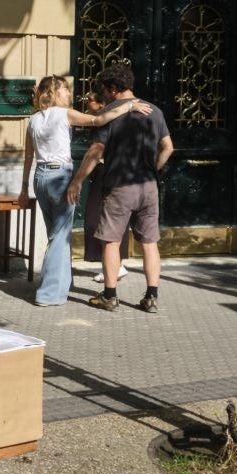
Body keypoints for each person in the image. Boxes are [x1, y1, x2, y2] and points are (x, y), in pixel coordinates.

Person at [20, 76, 148, 306]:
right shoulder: (64, 113)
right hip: (59, 176)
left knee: (55, 234)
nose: (69, 93)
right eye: (65, 89)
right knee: (59, 237)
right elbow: (99, 120)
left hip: (40, 178)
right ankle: (48, 293)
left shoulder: (33, 119)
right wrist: (129, 106)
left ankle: (62, 283)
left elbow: (28, 156)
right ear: (55, 92)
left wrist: (23, 189)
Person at [66, 64, 173, 313]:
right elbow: (168, 147)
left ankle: (110, 296)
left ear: (113, 88)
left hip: (120, 185)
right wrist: (152, 169)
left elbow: (96, 150)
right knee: (149, 242)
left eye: (104, 88)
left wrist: (77, 179)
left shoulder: (111, 112)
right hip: (148, 186)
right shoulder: (154, 111)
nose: (102, 93)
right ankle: (151, 297)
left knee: (111, 241)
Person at [82, 89, 132, 283]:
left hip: (108, 171)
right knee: (99, 218)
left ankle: (115, 265)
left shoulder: (106, 122)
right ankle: (113, 265)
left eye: (90, 100)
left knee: (100, 218)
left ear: (101, 104)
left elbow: (98, 149)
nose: (87, 103)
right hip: (104, 172)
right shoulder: (98, 120)